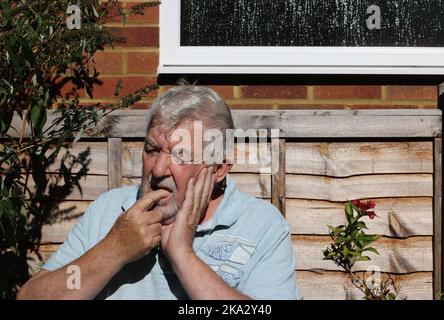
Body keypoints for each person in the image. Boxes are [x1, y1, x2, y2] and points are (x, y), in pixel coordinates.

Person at [17, 85, 299, 300]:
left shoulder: (262, 227)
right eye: (151, 150)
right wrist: (114, 249)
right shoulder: (111, 210)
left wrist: (183, 256)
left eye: (180, 155)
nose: (159, 169)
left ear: (218, 169)